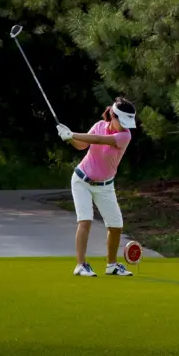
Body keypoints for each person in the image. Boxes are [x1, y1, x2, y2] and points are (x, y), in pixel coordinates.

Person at [55, 97, 137, 277]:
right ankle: (81, 265)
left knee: (116, 225)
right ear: (113, 116)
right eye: (121, 122)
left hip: (106, 186)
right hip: (81, 180)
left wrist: (73, 133)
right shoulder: (99, 125)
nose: (125, 126)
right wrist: (69, 138)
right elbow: (82, 145)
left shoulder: (125, 136)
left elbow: (99, 140)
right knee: (85, 220)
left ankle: (112, 265)